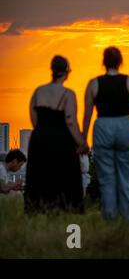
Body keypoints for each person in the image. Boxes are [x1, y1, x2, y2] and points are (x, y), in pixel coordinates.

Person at [83, 46, 129, 221]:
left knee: (107, 177)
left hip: (103, 125)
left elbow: (87, 114)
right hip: (126, 126)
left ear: (103, 62)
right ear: (120, 62)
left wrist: (83, 139)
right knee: (127, 177)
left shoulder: (94, 84)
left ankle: (110, 219)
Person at [24, 55, 87, 214]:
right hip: (61, 140)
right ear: (67, 72)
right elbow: (71, 121)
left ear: (52, 71)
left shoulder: (38, 91)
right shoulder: (68, 94)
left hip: (39, 138)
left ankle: (37, 209)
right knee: (63, 177)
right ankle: (64, 210)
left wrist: (42, 130)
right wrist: (81, 142)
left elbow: (33, 115)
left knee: (40, 176)